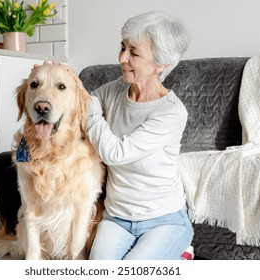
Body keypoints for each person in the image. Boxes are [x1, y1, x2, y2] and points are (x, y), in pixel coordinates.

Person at [83, 11, 194, 260]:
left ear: (161, 64)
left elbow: (115, 153)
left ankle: (180, 254)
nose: (122, 58)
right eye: (122, 48)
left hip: (164, 221)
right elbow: (80, 102)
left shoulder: (171, 112)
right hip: (117, 218)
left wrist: (89, 111)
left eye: (134, 53)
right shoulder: (113, 91)